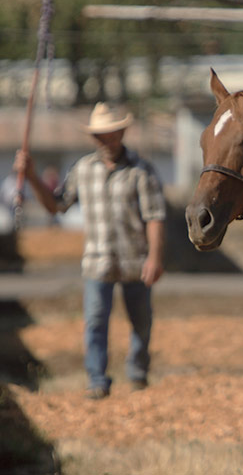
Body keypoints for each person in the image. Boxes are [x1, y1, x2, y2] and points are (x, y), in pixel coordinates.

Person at [14, 102, 166, 400]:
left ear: (121, 132)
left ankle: (137, 372)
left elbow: (155, 216)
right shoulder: (83, 170)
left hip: (134, 259)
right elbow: (56, 205)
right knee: (95, 320)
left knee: (141, 321)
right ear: (93, 138)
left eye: (111, 134)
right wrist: (31, 177)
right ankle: (97, 379)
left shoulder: (141, 170)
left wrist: (155, 257)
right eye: (99, 136)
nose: (106, 141)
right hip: (97, 261)